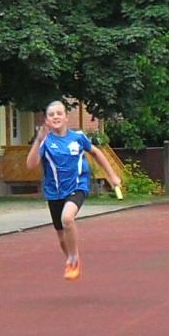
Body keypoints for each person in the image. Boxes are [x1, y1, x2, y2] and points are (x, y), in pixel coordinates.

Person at [26, 100, 122, 281]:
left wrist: (112, 175)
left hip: (77, 186)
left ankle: (74, 258)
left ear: (66, 117)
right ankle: (71, 259)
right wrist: (38, 140)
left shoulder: (78, 137)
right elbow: (31, 165)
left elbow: (96, 153)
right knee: (62, 237)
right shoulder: (45, 142)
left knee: (67, 218)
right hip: (54, 192)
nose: (55, 117)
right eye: (51, 114)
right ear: (46, 120)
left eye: (59, 113)